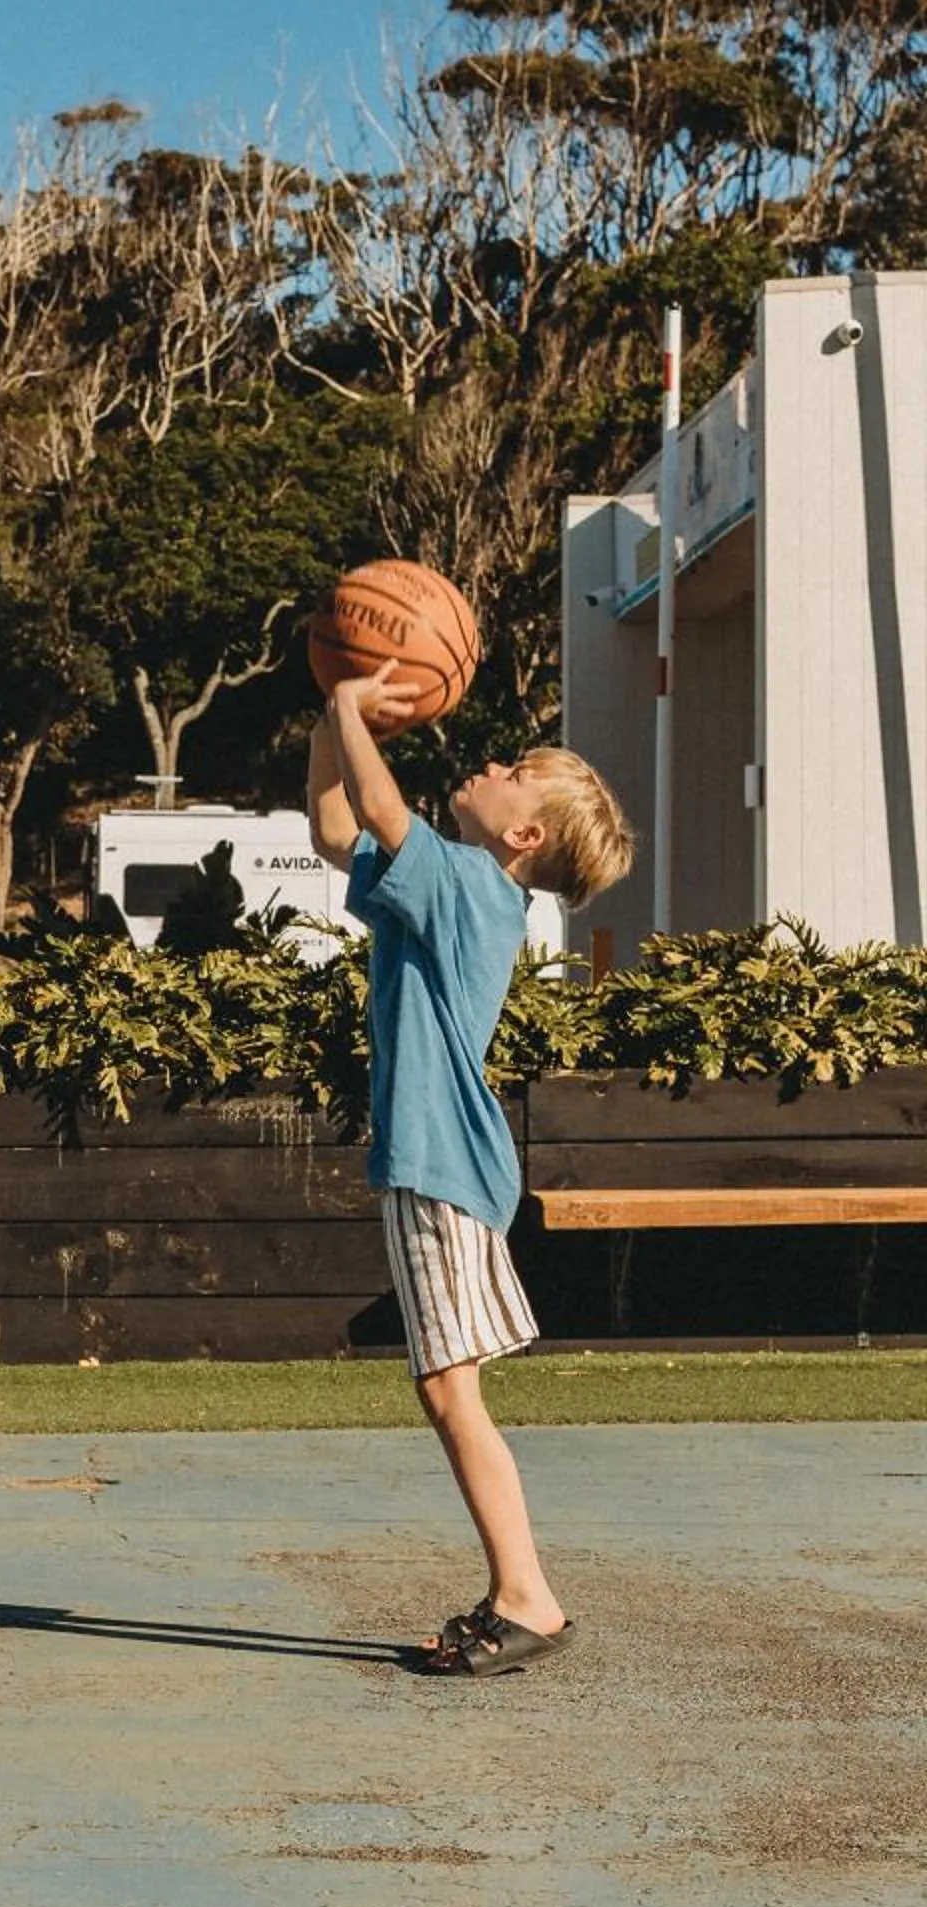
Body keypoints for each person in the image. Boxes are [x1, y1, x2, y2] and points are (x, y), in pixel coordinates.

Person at [307, 662, 635, 1677]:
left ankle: (525, 1596)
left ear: (522, 836)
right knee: (449, 1389)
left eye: (511, 771)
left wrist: (352, 711)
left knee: (452, 1393)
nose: (489, 764)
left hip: (439, 1164)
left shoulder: (463, 885)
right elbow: (331, 829)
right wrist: (332, 711)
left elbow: (373, 802)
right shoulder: (452, 885)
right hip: (443, 1164)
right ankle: (520, 1591)